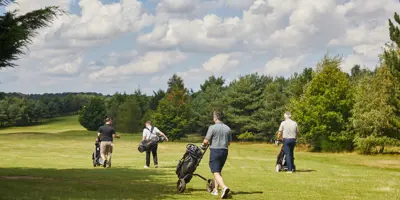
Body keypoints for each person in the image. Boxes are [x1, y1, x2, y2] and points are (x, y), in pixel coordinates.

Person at [201, 110, 232, 199]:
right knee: (218, 171)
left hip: (215, 151)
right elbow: (229, 142)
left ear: (215, 117)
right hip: (224, 151)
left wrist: (203, 145)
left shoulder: (212, 127)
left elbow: (206, 141)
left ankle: (224, 187)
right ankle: (215, 190)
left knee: (215, 171)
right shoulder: (228, 128)